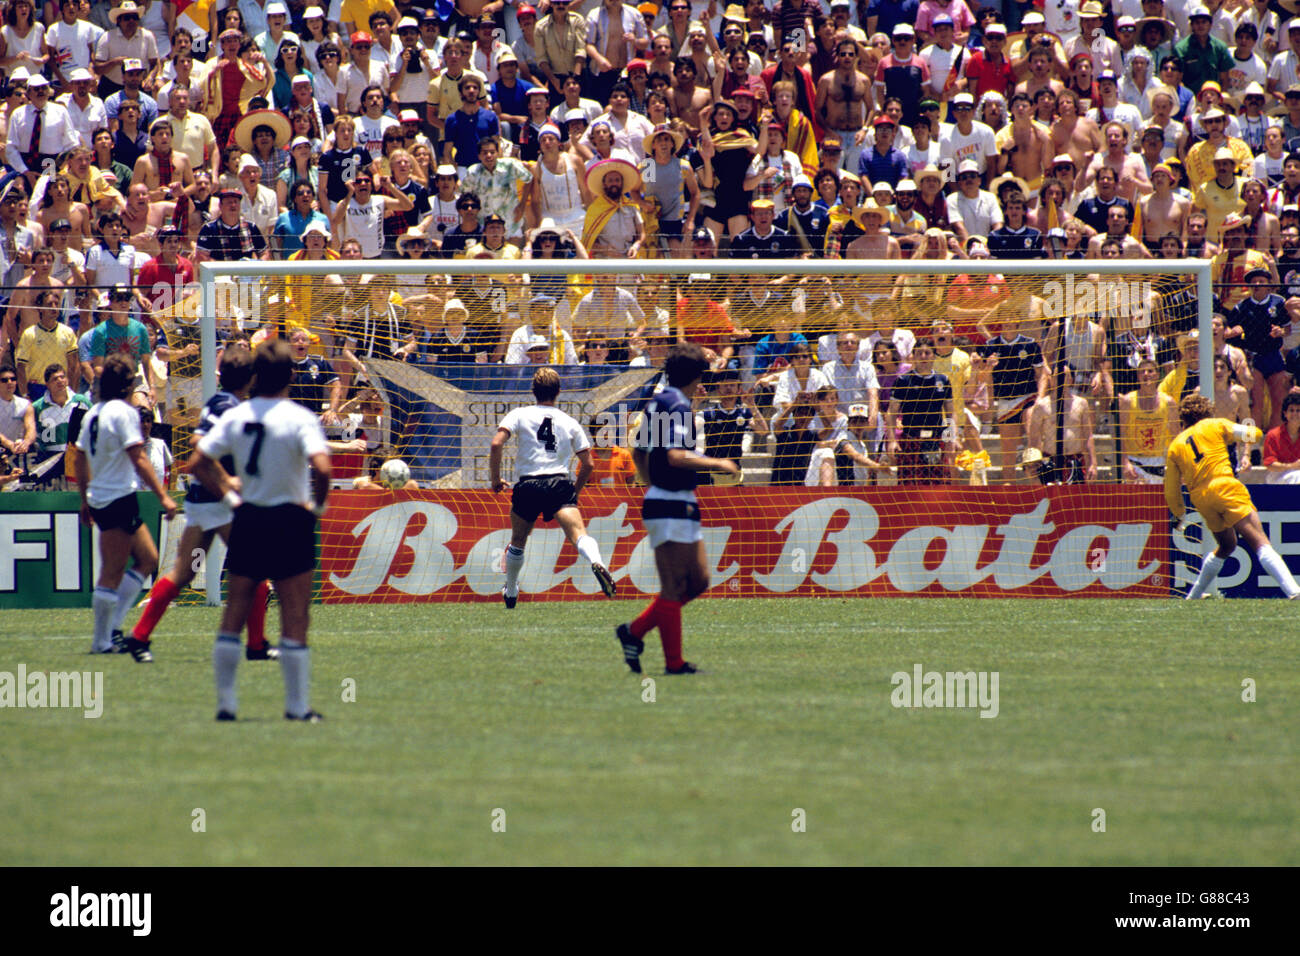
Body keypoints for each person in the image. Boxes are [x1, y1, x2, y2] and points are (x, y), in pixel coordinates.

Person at [191, 340, 332, 722]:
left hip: (249, 518)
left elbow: (199, 461)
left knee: (234, 610)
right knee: (295, 612)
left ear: (256, 376)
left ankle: (226, 704)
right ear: (290, 376)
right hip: (289, 519)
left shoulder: (237, 416)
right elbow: (322, 469)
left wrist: (232, 498)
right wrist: (316, 508)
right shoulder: (300, 418)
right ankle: (297, 707)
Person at [129, 349, 278, 660]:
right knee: (255, 570)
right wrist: (229, 483)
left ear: (221, 375)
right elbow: (200, 451)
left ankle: (139, 637)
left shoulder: (218, 402)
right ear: (251, 379)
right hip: (219, 502)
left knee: (184, 573)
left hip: (201, 503)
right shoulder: (232, 409)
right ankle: (256, 645)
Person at [616, 343, 739, 675]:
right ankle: (674, 664)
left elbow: (639, 451)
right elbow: (674, 455)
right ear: (697, 376)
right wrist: (719, 462)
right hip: (669, 502)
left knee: (698, 581)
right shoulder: (677, 406)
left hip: (674, 500)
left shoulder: (659, 402)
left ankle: (635, 631)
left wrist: (650, 482)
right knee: (674, 587)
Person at [68, 354, 178, 660]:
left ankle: (112, 630)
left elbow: (78, 458)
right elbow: (138, 456)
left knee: (147, 559)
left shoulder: (93, 414)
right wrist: (163, 496)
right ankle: (103, 639)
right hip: (117, 496)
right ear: (128, 385)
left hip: (103, 498)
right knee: (114, 571)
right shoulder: (123, 413)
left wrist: (84, 497)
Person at [488, 366, 616, 608]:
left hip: (528, 485)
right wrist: (573, 493)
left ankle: (512, 589)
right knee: (579, 534)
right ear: (559, 392)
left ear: (533, 391)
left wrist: (495, 479)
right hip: (559, 483)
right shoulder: (569, 422)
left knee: (518, 540)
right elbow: (588, 464)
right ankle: (598, 562)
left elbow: (496, 444)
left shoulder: (519, 414)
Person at [1167, 393, 1300, 600]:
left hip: (1201, 498)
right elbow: (1254, 434)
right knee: (1260, 542)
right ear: (1207, 412)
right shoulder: (1215, 425)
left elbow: (1171, 487)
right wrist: (1245, 430)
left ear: (1183, 419)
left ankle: (1193, 597)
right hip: (1225, 487)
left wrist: (1178, 514)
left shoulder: (1175, 445)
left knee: (1227, 545)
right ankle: (1294, 591)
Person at [1262, 391, 1300, 483]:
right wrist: (1292, 466)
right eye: (1291, 410)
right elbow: (1270, 464)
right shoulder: (1273, 435)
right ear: (1285, 413)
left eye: (1298, 410)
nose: (1295, 413)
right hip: (1278, 476)